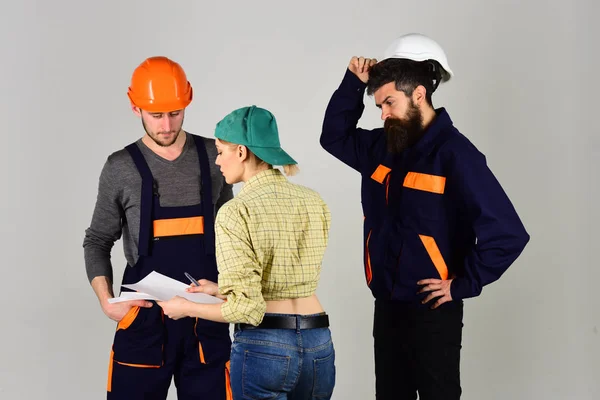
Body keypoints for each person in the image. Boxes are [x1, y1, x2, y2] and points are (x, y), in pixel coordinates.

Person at [319, 33, 530, 399]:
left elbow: (508, 232)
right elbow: (333, 137)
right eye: (378, 105)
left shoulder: (456, 154)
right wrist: (353, 83)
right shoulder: (381, 146)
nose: (382, 113)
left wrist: (462, 285)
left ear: (418, 94)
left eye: (389, 102)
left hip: (433, 311)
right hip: (386, 304)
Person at [157, 105, 336, 400]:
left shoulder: (235, 212)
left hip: (266, 347)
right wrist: (220, 290)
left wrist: (185, 308)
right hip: (318, 341)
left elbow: (247, 309)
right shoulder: (314, 201)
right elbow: (283, 282)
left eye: (220, 151)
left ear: (241, 152)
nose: (217, 161)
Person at [82, 56, 234, 399]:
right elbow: (97, 241)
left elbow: (232, 235)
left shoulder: (216, 156)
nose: (166, 125)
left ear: (188, 100)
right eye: (156, 115)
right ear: (135, 106)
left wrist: (230, 292)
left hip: (206, 320)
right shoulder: (119, 168)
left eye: (175, 113)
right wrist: (107, 302)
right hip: (143, 322)